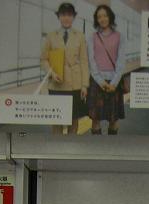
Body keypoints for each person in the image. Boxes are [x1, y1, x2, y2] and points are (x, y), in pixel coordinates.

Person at [40, 2, 88, 135]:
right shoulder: (51, 36)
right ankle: (57, 145)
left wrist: (85, 85)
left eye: (69, 15)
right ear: (59, 17)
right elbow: (43, 59)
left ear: (73, 17)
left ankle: (71, 145)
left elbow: (84, 61)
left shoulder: (80, 36)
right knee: (57, 119)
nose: (66, 18)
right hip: (56, 84)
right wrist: (51, 73)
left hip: (75, 85)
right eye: (63, 15)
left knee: (73, 118)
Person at [86, 4, 126, 134]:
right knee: (95, 119)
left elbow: (121, 61)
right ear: (96, 19)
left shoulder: (119, 36)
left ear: (110, 17)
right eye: (99, 17)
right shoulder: (92, 37)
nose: (102, 19)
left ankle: (111, 145)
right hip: (97, 81)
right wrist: (100, 81)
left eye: (105, 16)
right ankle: (97, 146)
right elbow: (91, 61)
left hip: (114, 81)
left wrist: (113, 83)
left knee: (113, 119)